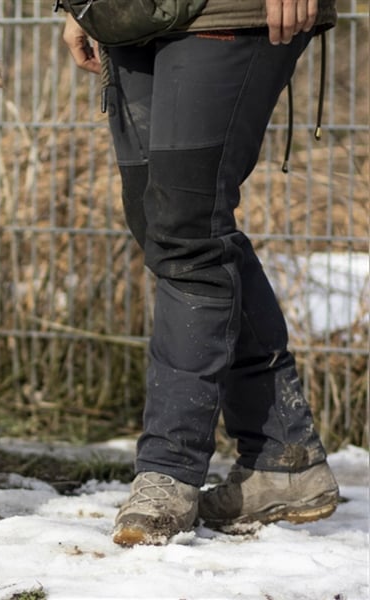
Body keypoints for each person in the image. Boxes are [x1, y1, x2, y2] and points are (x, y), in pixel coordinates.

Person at [61, 0, 340, 546]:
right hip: (130, 14)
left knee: (187, 230)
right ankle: (284, 457)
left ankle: (169, 471)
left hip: (229, 10)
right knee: (168, 226)